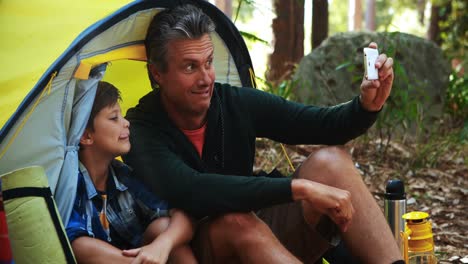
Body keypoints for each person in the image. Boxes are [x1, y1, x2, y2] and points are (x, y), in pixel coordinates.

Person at [124, 4, 404, 264]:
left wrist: (366, 106)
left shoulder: (233, 102)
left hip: (259, 238)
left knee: (331, 162)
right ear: (157, 73)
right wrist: (301, 189)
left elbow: (319, 124)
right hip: (193, 248)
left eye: (208, 62)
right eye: (190, 66)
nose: (206, 78)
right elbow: (194, 190)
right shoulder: (140, 128)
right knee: (235, 221)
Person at [65, 81, 197, 264]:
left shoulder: (124, 177)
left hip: (136, 256)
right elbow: (77, 245)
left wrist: (162, 246)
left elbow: (183, 217)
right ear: (86, 136)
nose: (126, 122)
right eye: (114, 118)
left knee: (163, 227)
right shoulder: (70, 184)